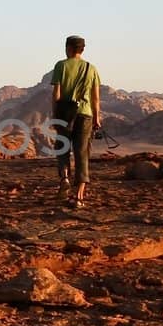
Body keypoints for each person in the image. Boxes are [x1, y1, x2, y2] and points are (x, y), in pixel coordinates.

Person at [50, 34, 102, 206]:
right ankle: (78, 197)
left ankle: (64, 177)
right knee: (82, 153)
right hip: (85, 114)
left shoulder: (61, 66)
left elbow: (56, 94)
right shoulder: (91, 68)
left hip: (65, 115)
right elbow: (95, 98)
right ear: (82, 49)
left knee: (62, 147)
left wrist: (55, 115)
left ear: (69, 48)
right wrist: (97, 118)